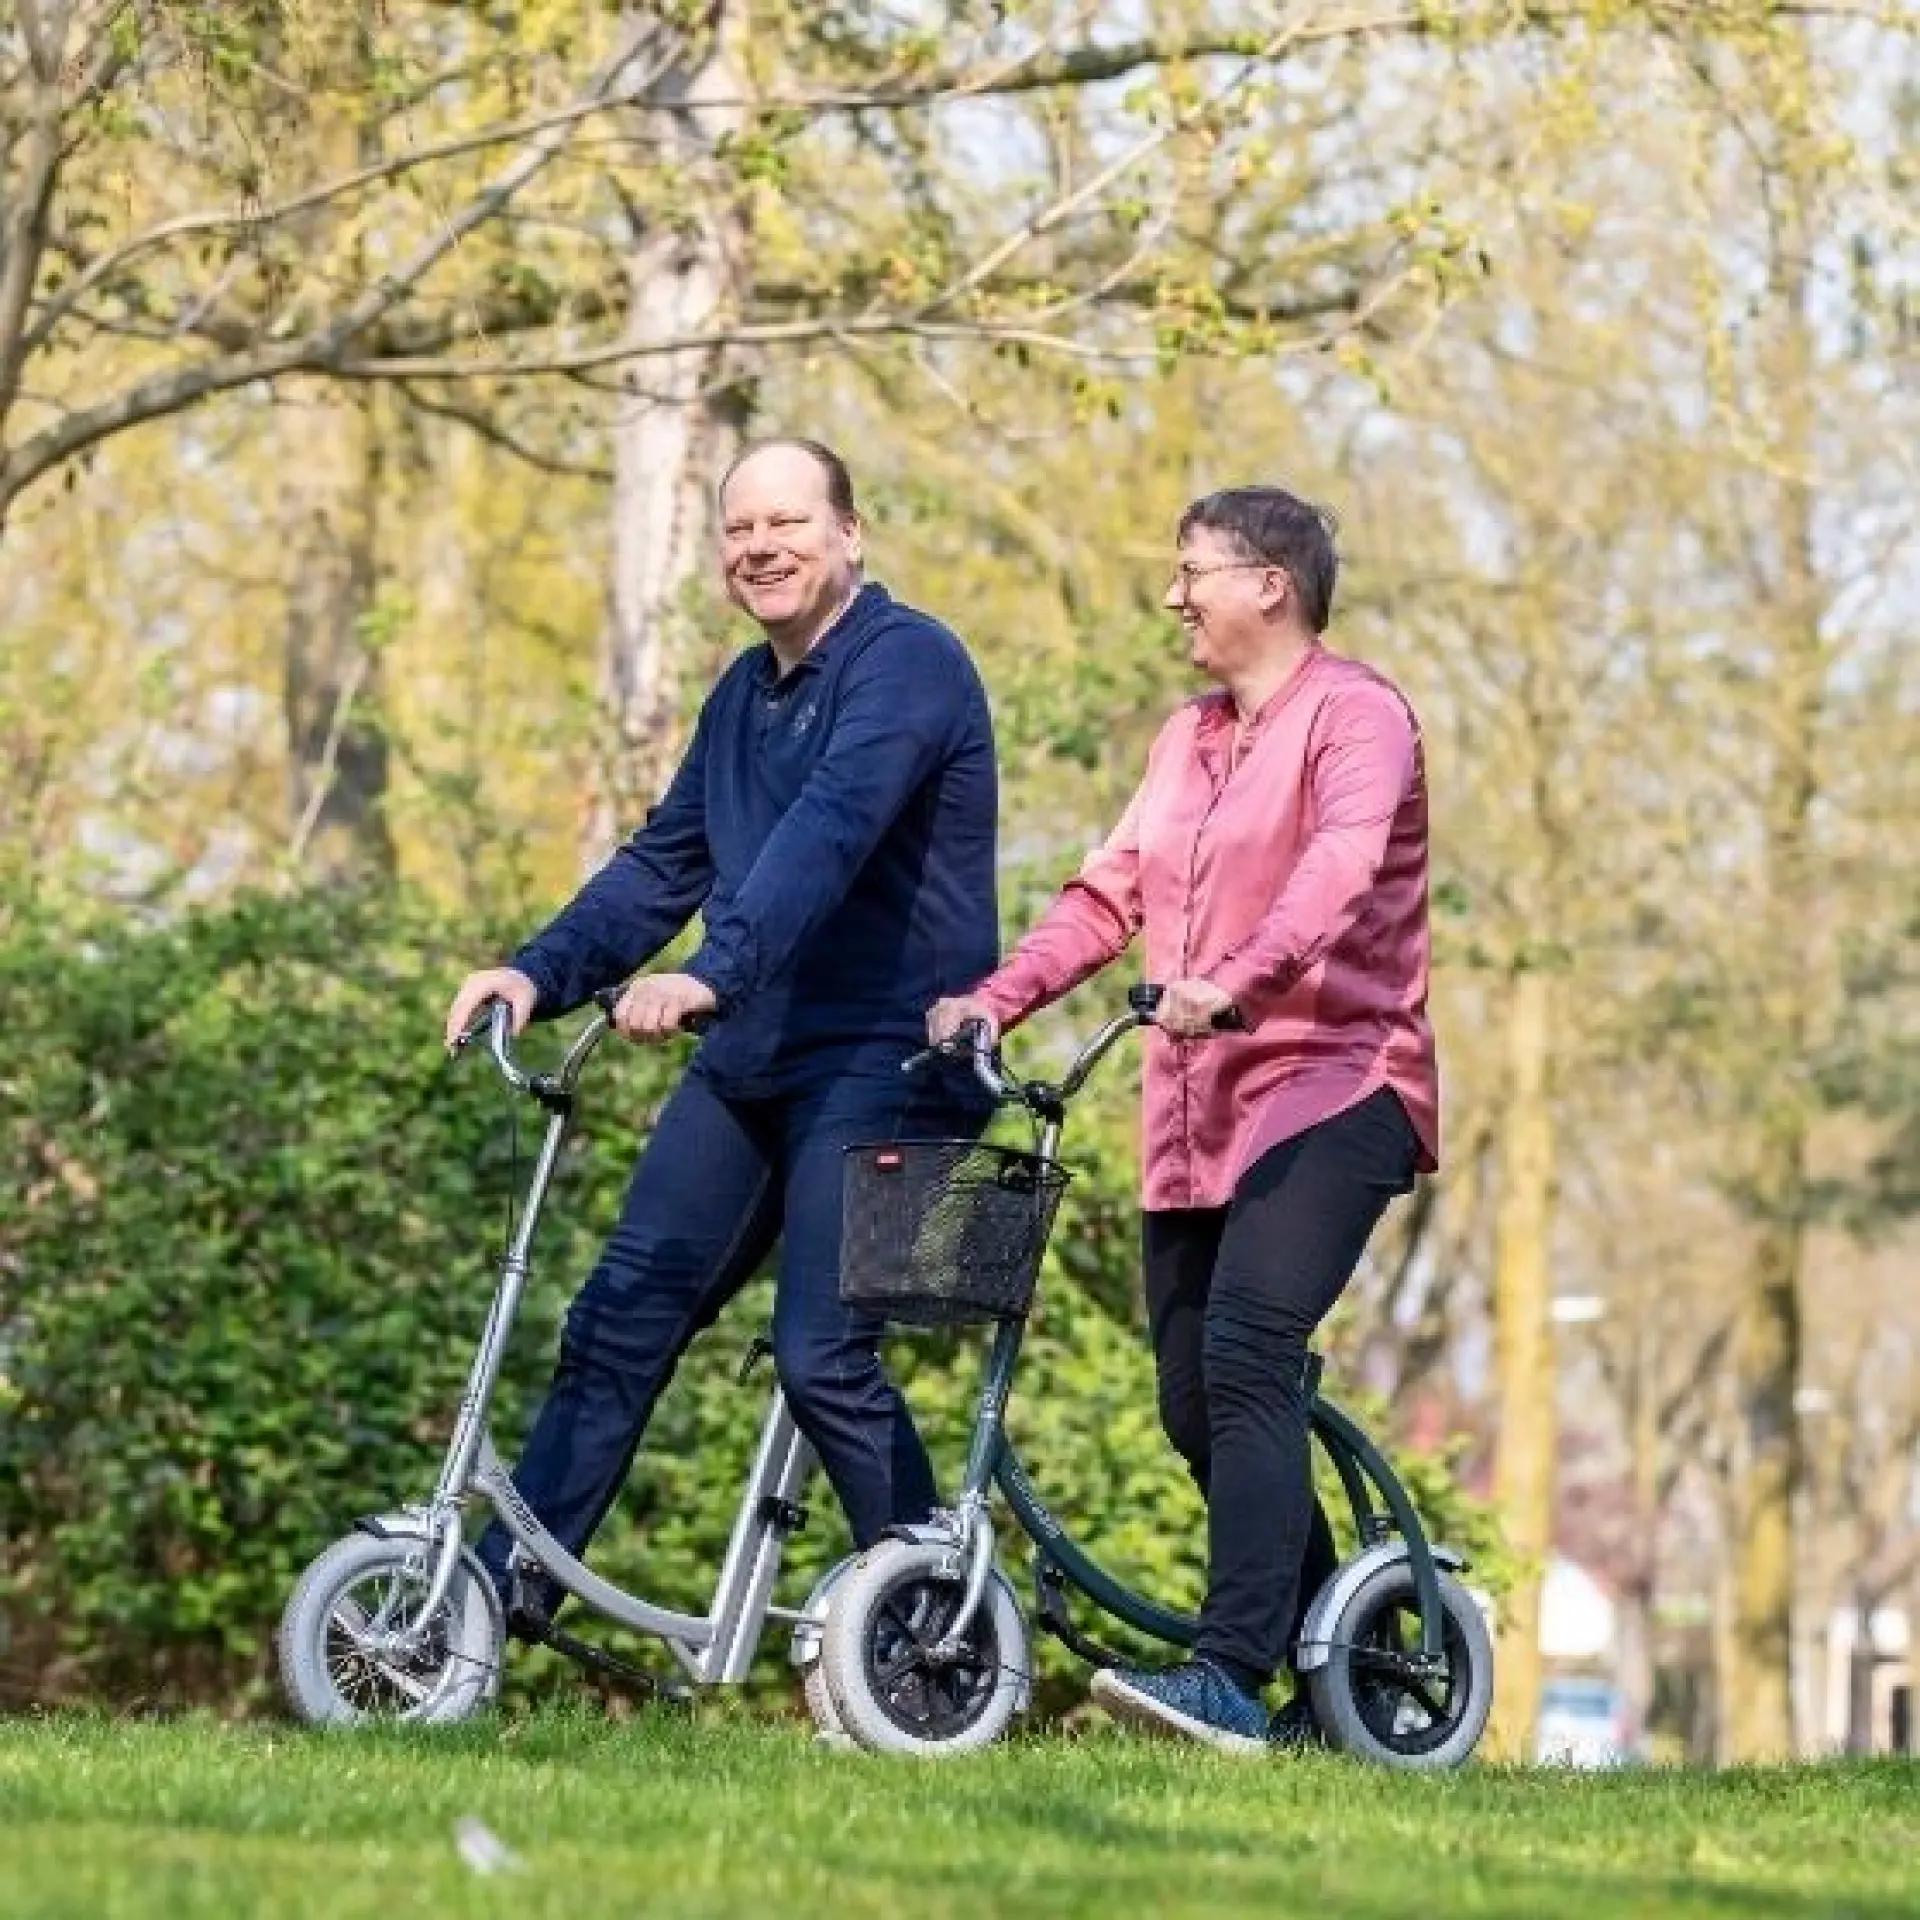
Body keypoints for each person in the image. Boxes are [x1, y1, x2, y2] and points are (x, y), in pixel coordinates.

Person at [445, 437, 999, 1629]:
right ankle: (498, 1604)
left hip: (888, 1059)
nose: (761, 547)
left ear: (850, 534)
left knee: (821, 1357)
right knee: (618, 1316)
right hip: (759, 1056)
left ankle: (931, 1632)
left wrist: (710, 974)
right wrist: (537, 974)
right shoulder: (745, 697)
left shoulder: (912, 667)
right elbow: (665, 861)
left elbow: (832, 833)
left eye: (788, 523)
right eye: (741, 530)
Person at [928, 485, 1438, 1754]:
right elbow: (1108, 896)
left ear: (1271, 581)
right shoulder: (1185, 739)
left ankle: (1227, 1672)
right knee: (1195, 1404)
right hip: (1199, 1112)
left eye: (1192, 571)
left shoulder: (1357, 716)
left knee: (1252, 1353)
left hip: (1337, 1083)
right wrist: (994, 1000)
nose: (1174, 596)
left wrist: (1239, 978)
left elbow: (1341, 866)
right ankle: (1345, 1675)